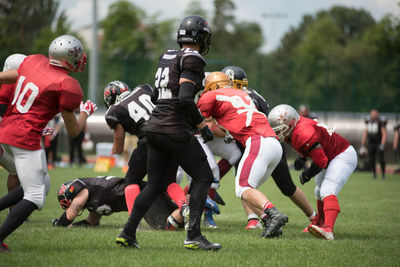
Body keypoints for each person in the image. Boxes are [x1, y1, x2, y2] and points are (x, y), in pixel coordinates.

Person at [116, 15, 221, 251]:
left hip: (153, 127)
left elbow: (160, 94)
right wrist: (201, 125)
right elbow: (185, 99)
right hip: (173, 127)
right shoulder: (193, 57)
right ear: (202, 37)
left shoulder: (167, 55)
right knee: (204, 176)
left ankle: (127, 232)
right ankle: (193, 235)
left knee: (154, 184)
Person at [0, 34, 97, 253]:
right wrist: (85, 113)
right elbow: (73, 131)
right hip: (25, 137)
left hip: (6, 129)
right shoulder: (67, 84)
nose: (80, 58)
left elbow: (16, 75)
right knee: (35, 196)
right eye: (77, 55)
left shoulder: (33, 61)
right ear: (68, 58)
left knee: (39, 184)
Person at [220, 66, 316, 231]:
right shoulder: (253, 94)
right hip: (270, 143)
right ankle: (313, 217)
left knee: (245, 184)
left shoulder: (237, 97)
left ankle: (257, 219)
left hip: (255, 142)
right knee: (286, 187)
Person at [197, 71, 289, 239]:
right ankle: (269, 221)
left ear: (212, 86)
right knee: (249, 190)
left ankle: (274, 214)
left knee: (244, 187)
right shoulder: (241, 93)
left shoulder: (211, 96)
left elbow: (198, 120)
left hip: (257, 142)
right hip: (274, 144)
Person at [268, 104, 357, 240]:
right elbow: (314, 148)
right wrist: (302, 158)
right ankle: (319, 222)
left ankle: (328, 229)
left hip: (342, 155)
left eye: (280, 128)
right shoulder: (293, 131)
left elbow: (321, 162)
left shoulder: (304, 132)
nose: (277, 131)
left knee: (327, 189)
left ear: (291, 123)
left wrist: (307, 174)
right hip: (329, 156)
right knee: (318, 191)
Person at [104, 81, 188, 218]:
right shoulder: (143, 88)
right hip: (172, 133)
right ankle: (184, 207)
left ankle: (133, 221)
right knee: (169, 181)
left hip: (150, 139)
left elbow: (118, 148)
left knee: (131, 180)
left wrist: (113, 149)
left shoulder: (114, 111)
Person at [52, 176, 182, 229]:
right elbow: (92, 222)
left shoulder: (81, 189)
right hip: (142, 198)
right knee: (170, 224)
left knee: (165, 227)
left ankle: (190, 206)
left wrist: (59, 223)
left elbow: (70, 214)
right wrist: (73, 227)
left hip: (144, 194)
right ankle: (188, 208)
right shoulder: (91, 197)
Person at [0, 54, 27, 195]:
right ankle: (13, 211)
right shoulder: (9, 86)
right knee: (15, 170)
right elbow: (3, 113)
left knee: (15, 170)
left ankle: (13, 210)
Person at [360, 109, 387, 179]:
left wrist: (382, 144)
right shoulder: (368, 121)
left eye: (375, 114)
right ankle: (374, 174)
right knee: (372, 159)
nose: (373, 115)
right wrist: (362, 143)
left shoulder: (380, 122)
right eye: (372, 113)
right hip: (371, 143)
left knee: (381, 159)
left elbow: (384, 133)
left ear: (377, 114)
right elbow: (365, 132)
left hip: (378, 143)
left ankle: (383, 174)